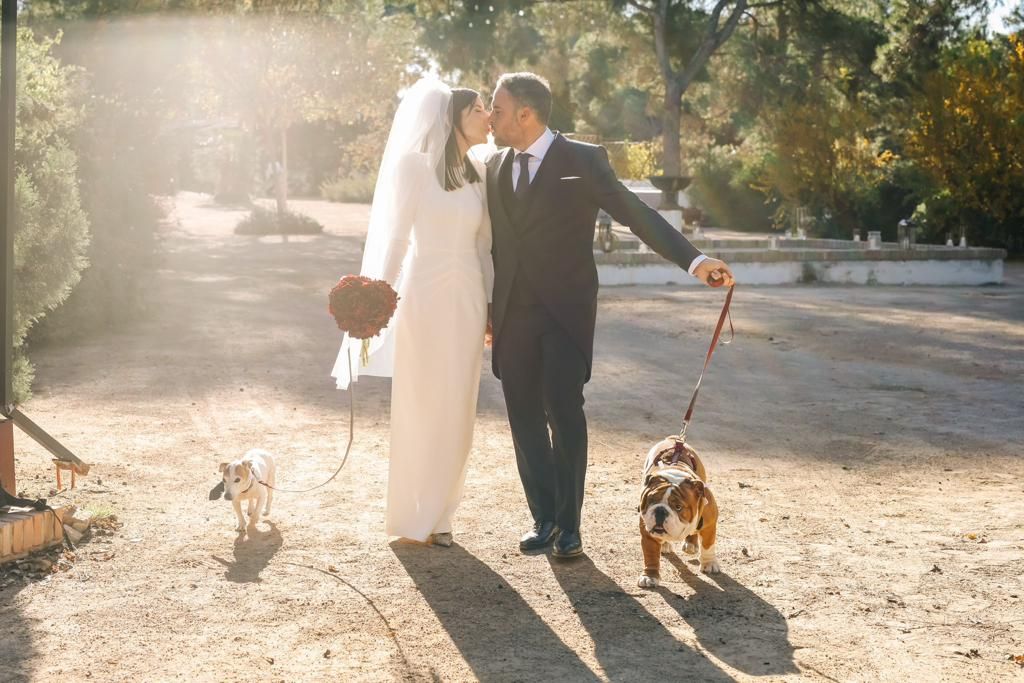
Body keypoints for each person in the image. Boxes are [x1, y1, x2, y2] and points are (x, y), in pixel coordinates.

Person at [485, 72, 735, 559]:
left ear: (525, 114)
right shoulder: (494, 166)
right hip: (513, 315)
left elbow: (635, 215)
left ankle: (570, 526)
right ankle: (544, 518)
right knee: (524, 419)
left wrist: (695, 260)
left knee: (563, 410)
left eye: (496, 108)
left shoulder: (583, 160)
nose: (490, 117)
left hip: (565, 314)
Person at [331, 79, 493, 547]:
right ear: (452, 118)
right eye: (478, 108)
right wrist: (374, 297)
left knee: (458, 404)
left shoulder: (479, 171)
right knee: (421, 401)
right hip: (423, 295)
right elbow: (397, 238)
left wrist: (489, 310)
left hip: (467, 297)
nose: (487, 116)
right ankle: (411, 515)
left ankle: (442, 514)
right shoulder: (413, 167)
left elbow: (484, 249)